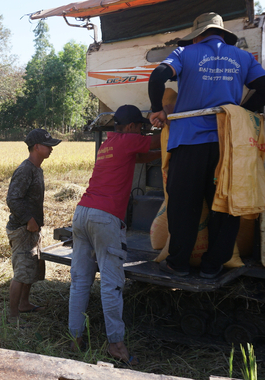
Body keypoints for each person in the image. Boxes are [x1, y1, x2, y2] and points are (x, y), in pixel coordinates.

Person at [147, 12, 265, 278]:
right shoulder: (242, 57)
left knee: (183, 205)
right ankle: (212, 266)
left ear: (197, 36)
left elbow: (158, 76)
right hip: (227, 146)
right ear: (222, 35)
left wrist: (155, 109)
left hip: (188, 143)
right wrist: (240, 112)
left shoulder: (185, 53)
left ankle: (178, 264)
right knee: (225, 206)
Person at [69, 105, 160, 365]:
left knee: (80, 280)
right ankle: (116, 345)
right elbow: (156, 140)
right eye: (141, 127)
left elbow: (140, 158)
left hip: (82, 213)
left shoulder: (109, 144)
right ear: (131, 127)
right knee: (112, 283)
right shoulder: (129, 139)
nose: (143, 131)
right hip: (105, 218)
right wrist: (171, 129)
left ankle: (75, 338)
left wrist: (162, 153)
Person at [5, 129, 61, 324]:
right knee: (21, 272)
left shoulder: (37, 169)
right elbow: (12, 199)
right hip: (22, 229)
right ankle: (13, 316)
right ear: (36, 147)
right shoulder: (25, 169)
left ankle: (24, 304)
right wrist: (29, 219)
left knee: (31, 267)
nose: (51, 148)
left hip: (32, 229)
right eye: (48, 145)